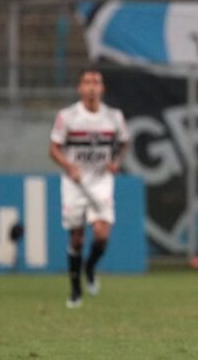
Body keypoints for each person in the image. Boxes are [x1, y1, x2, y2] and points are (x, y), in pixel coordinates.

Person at [50, 69, 129, 308]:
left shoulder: (114, 116)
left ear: (102, 88)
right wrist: (68, 165)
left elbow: (124, 142)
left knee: (102, 233)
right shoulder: (68, 116)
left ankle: (90, 267)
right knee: (77, 238)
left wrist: (116, 161)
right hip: (75, 181)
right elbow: (53, 148)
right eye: (87, 82)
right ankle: (75, 291)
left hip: (101, 179)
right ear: (80, 88)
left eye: (96, 82)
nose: (92, 86)